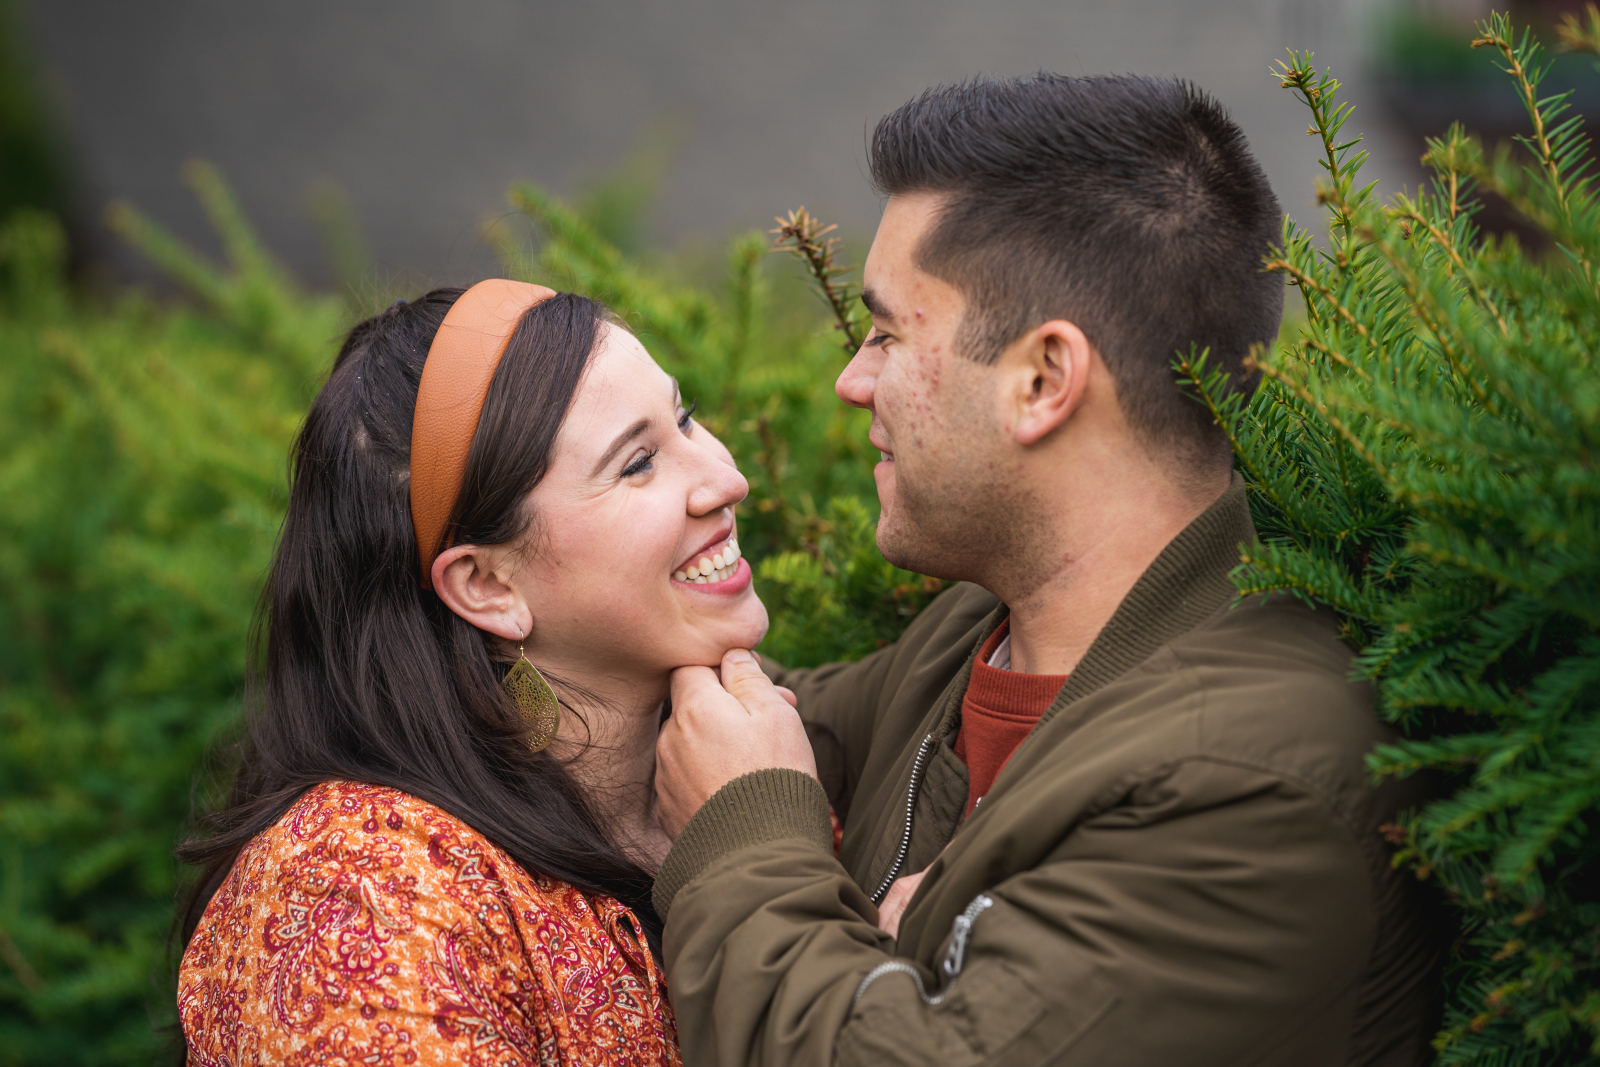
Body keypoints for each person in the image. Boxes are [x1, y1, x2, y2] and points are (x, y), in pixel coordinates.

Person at [652, 75, 1438, 1065]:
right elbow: (732, 733)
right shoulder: (975, 631)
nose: (852, 378)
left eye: (889, 332)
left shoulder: (1251, 779)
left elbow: (750, 797)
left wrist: (749, 841)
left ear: (1041, 380)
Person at [175, 281, 764, 1064]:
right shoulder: (365, 895)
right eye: (640, 462)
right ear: (489, 586)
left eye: (684, 416)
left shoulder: (747, 759)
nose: (726, 477)